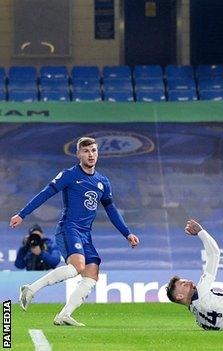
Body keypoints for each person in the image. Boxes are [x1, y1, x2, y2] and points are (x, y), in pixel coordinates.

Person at [9, 136, 140, 327]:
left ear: (98, 153)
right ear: (78, 154)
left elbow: (111, 210)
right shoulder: (69, 175)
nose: (91, 155)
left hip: (86, 233)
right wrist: (22, 214)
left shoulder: (102, 181)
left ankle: (64, 315)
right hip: (69, 228)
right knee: (78, 267)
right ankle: (30, 289)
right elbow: (45, 193)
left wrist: (127, 233)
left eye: (94, 150)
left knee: (92, 273)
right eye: (86, 151)